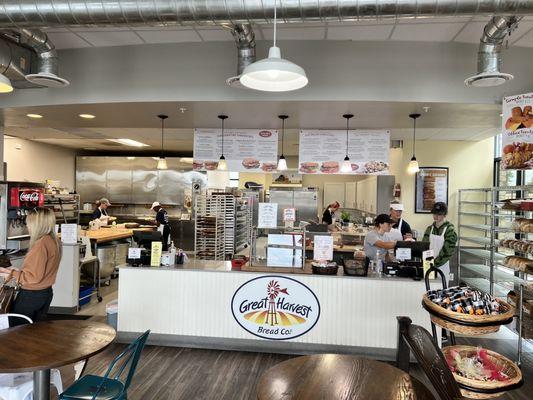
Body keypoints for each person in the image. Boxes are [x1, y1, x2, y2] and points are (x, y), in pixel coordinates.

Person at [0, 208, 61, 325]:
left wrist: (10, 273)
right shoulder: (54, 240)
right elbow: (42, 270)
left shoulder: (41, 244)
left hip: (31, 296)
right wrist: (17, 271)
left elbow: (34, 278)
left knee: (17, 330)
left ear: (37, 224)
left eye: (29, 223)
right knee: (35, 331)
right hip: (46, 293)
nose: (27, 226)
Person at [422, 202, 457, 283]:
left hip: (442, 266)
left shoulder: (450, 230)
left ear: (444, 215)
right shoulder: (429, 229)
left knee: (441, 290)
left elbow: (448, 251)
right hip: (428, 265)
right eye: (434, 213)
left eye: (439, 214)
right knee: (428, 291)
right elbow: (424, 247)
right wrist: (428, 264)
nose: (436, 216)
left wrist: (435, 263)